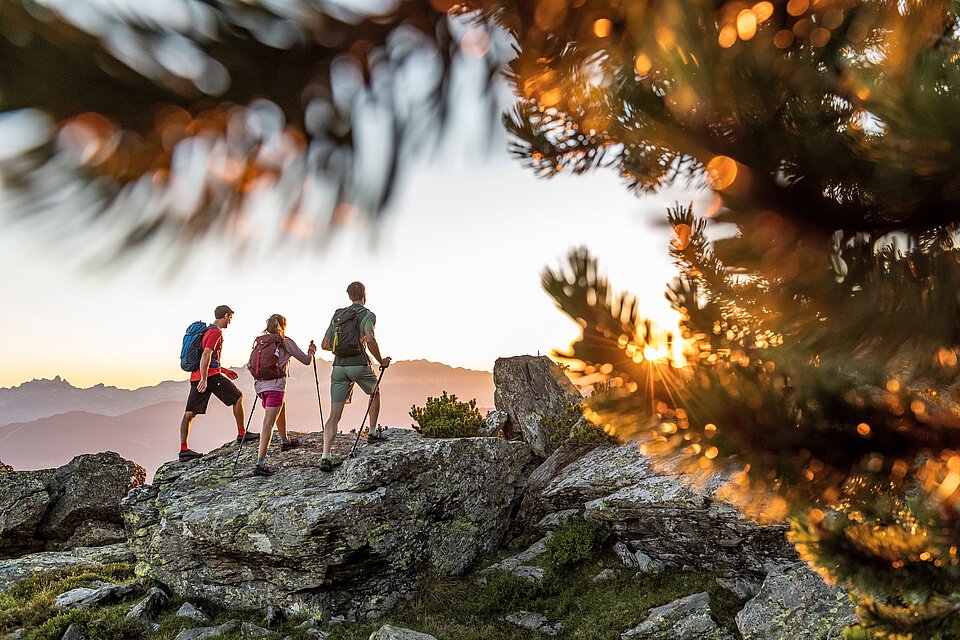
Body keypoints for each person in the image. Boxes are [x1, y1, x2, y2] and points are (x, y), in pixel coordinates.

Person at [319, 281, 391, 472]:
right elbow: (370, 338)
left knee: (334, 415)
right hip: (359, 364)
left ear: (349, 296)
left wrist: (341, 348)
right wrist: (380, 359)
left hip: (339, 367)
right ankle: (373, 432)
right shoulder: (367, 315)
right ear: (364, 295)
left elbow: (325, 344)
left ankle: (326, 456)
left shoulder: (338, 315)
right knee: (375, 391)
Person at [178, 305, 259, 461]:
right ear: (226, 315)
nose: (230, 321)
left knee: (190, 413)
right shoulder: (215, 332)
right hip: (209, 377)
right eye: (230, 318)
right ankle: (242, 434)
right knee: (237, 397)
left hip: (198, 376)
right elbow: (206, 355)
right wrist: (205, 378)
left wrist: (223, 370)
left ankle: (183, 450)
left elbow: (208, 358)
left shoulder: (206, 331)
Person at [250, 314, 316, 477]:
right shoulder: (286, 342)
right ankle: (260, 462)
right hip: (275, 387)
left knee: (280, 407)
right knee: (268, 424)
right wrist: (311, 351)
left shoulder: (262, 342)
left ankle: (285, 440)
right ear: (283, 325)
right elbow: (306, 360)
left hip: (260, 387)